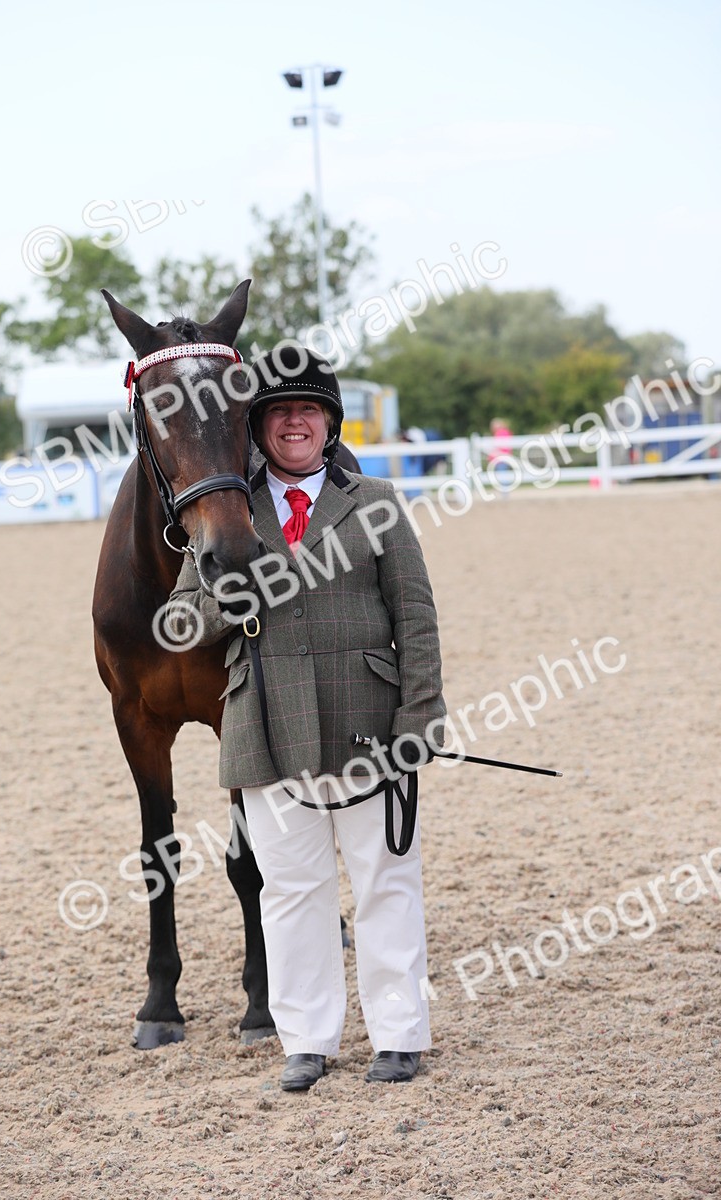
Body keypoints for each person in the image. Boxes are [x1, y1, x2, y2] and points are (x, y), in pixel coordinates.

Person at [167, 345, 447, 1091]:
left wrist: (422, 713)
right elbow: (179, 622)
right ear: (258, 428)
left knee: (385, 880)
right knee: (290, 890)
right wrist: (233, 595)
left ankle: (398, 1034)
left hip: (369, 718)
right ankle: (307, 1040)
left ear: (329, 423)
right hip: (263, 721)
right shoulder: (224, 510)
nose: (295, 421)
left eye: (309, 409)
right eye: (280, 411)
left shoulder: (377, 500)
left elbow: (415, 614)